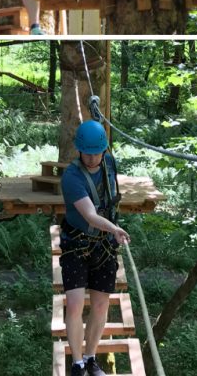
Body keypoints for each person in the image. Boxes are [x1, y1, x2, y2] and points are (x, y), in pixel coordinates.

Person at [59, 120, 131, 376]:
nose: (91, 158)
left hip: (104, 247)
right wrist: (114, 228)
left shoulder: (109, 165)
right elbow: (90, 215)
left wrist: (111, 232)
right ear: (79, 150)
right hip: (76, 244)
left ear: (104, 150)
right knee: (76, 304)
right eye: (86, 152)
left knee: (101, 306)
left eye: (96, 152)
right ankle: (77, 363)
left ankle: (90, 358)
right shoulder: (72, 176)